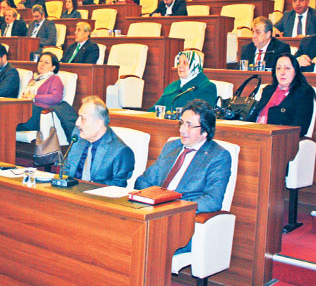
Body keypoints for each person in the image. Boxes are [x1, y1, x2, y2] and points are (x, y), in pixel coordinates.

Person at [135, 99, 231, 254]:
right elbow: (143, 180)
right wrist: (153, 197)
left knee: (138, 242)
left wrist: (173, 205)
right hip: (151, 213)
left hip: (180, 223)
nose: (182, 130)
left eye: (190, 125)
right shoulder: (172, 146)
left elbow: (213, 200)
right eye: (181, 123)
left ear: (205, 131)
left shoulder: (218, 156)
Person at [64, 96, 135, 187]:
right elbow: (66, 167)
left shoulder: (120, 151)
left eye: (83, 118)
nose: (77, 123)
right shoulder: (77, 134)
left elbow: (118, 186)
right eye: (78, 117)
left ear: (98, 123)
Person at [248, 53, 316, 137]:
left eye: (287, 68)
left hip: (279, 139)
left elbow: (301, 128)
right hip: (255, 134)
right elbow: (253, 117)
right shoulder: (268, 90)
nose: (282, 73)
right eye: (278, 68)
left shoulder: (304, 92)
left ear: (295, 71)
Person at [16, 52, 78, 137]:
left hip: (38, 113)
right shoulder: (34, 80)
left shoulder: (55, 79)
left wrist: (34, 97)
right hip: (25, 110)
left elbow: (56, 98)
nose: (42, 64)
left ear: (53, 67)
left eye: (46, 62)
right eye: (40, 61)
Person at [150, 50, 217, 112]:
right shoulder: (171, 87)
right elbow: (155, 109)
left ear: (195, 65)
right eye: (179, 63)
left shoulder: (207, 87)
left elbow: (203, 114)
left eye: (185, 63)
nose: (180, 66)